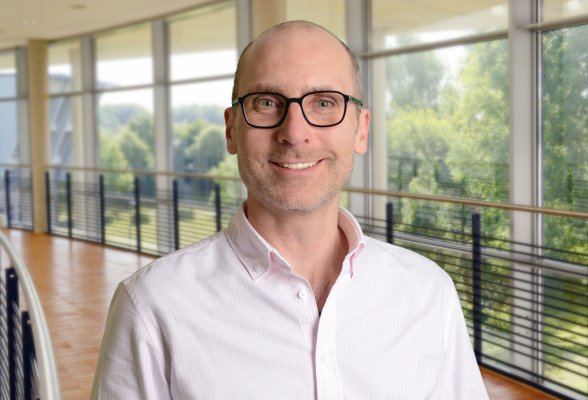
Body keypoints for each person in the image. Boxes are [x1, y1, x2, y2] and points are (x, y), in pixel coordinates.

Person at [91, 20, 489, 399]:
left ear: (361, 129)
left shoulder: (427, 293)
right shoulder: (152, 305)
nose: (295, 133)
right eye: (267, 102)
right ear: (232, 129)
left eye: (324, 102)